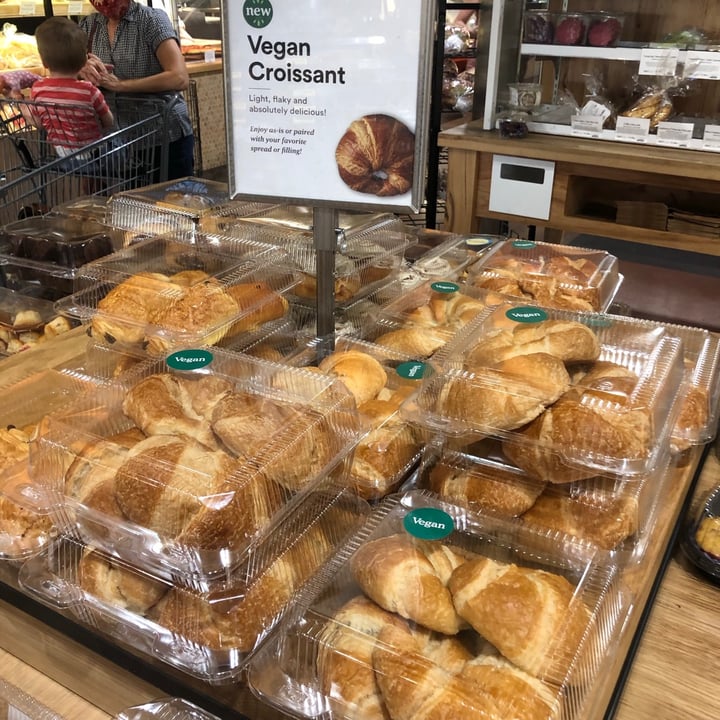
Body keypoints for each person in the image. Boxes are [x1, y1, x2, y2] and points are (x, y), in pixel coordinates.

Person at [78, 0, 195, 180]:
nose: (102, 3)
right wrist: (81, 68)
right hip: (121, 140)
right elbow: (68, 69)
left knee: (170, 201)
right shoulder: (89, 25)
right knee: (134, 204)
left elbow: (179, 77)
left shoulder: (151, 20)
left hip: (162, 136)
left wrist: (121, 85)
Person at [17, 17, 115, 159]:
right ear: (84, 60)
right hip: (95, 154)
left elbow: (38, 123)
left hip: (63, 154)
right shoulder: (89, 90)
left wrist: (22, 105)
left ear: (44, 63)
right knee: (122, 142)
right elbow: (109, 121)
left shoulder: (38, 89)